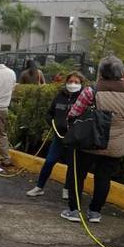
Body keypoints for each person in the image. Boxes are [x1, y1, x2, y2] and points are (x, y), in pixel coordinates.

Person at [61, 56, 124, 223]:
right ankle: (95, 212)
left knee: (77, 175)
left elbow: (73, 114)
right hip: (115, 145)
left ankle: (74, 210)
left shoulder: (92, 91)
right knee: (104, 178)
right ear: (121, 72)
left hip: (90, 142)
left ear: (101, 72)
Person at [26, 71, 86, 199]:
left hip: (73, 139)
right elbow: (50, 113)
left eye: (76, 82)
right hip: (58, 137)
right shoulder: (60, 96)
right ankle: (39, 187)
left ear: (81, 84)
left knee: (72, 166)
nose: (73, 84)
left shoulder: (83, 98)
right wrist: (52, 123)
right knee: (49, 161)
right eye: (70, 81)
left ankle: (67, 189)